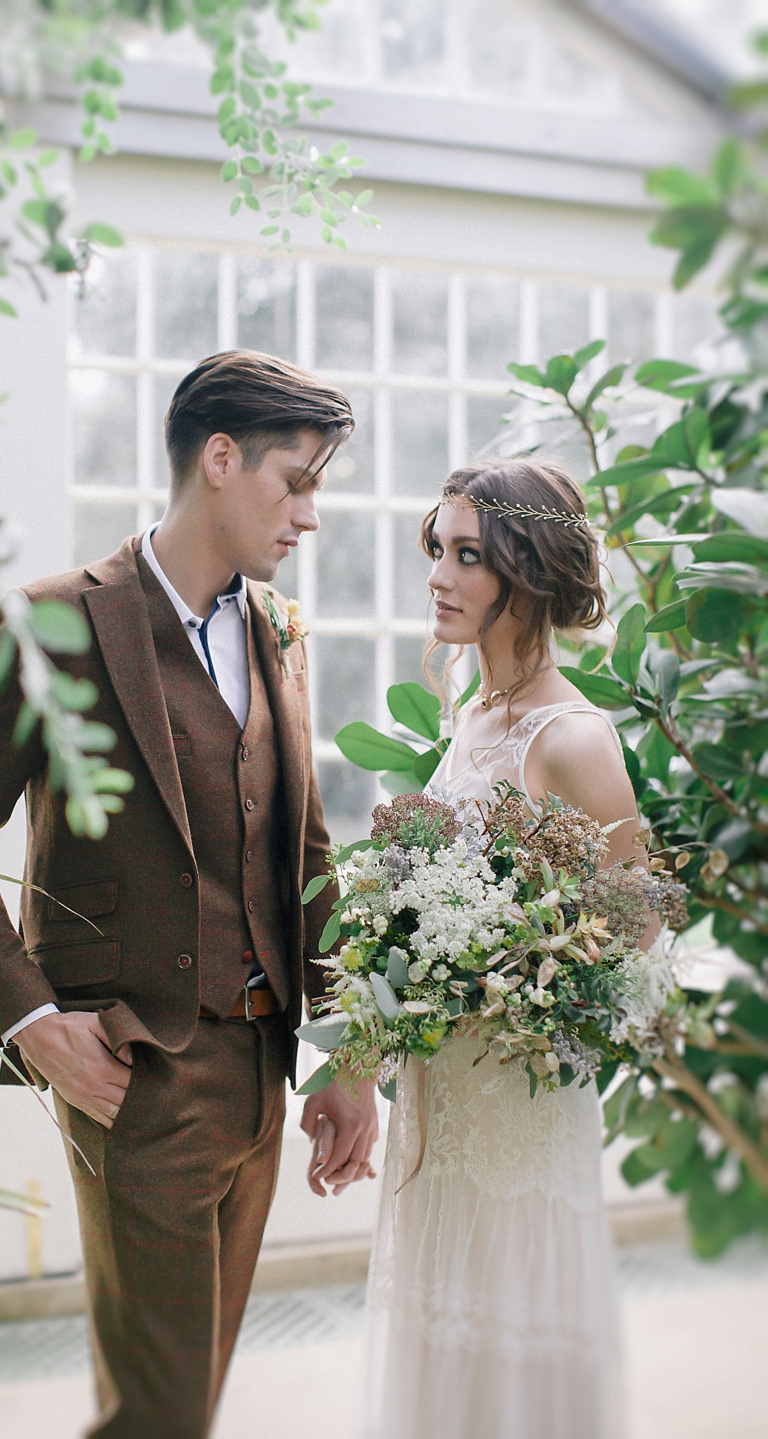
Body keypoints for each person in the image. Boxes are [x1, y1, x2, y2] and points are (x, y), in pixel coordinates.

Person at [0, 349, 378, 1439]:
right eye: (295, 480)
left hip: (263, 1078)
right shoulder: (53, 622)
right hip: (140, 1075)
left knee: (186, 1401)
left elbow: (304, 852)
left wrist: (349, 1048)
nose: (308, 514)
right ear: (220, 458)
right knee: (159, 1410)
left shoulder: (280, 635)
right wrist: (34, 1022)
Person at [356, 461, 652, 1439]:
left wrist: (504, 957)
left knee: (513, 1347)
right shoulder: (472, 711)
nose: (440, 572)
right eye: (436, 547)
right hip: (445, 1100)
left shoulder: (572, 737)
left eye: (468, 554)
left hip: (518, 1112)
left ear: (526, 569)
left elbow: (639, 923)